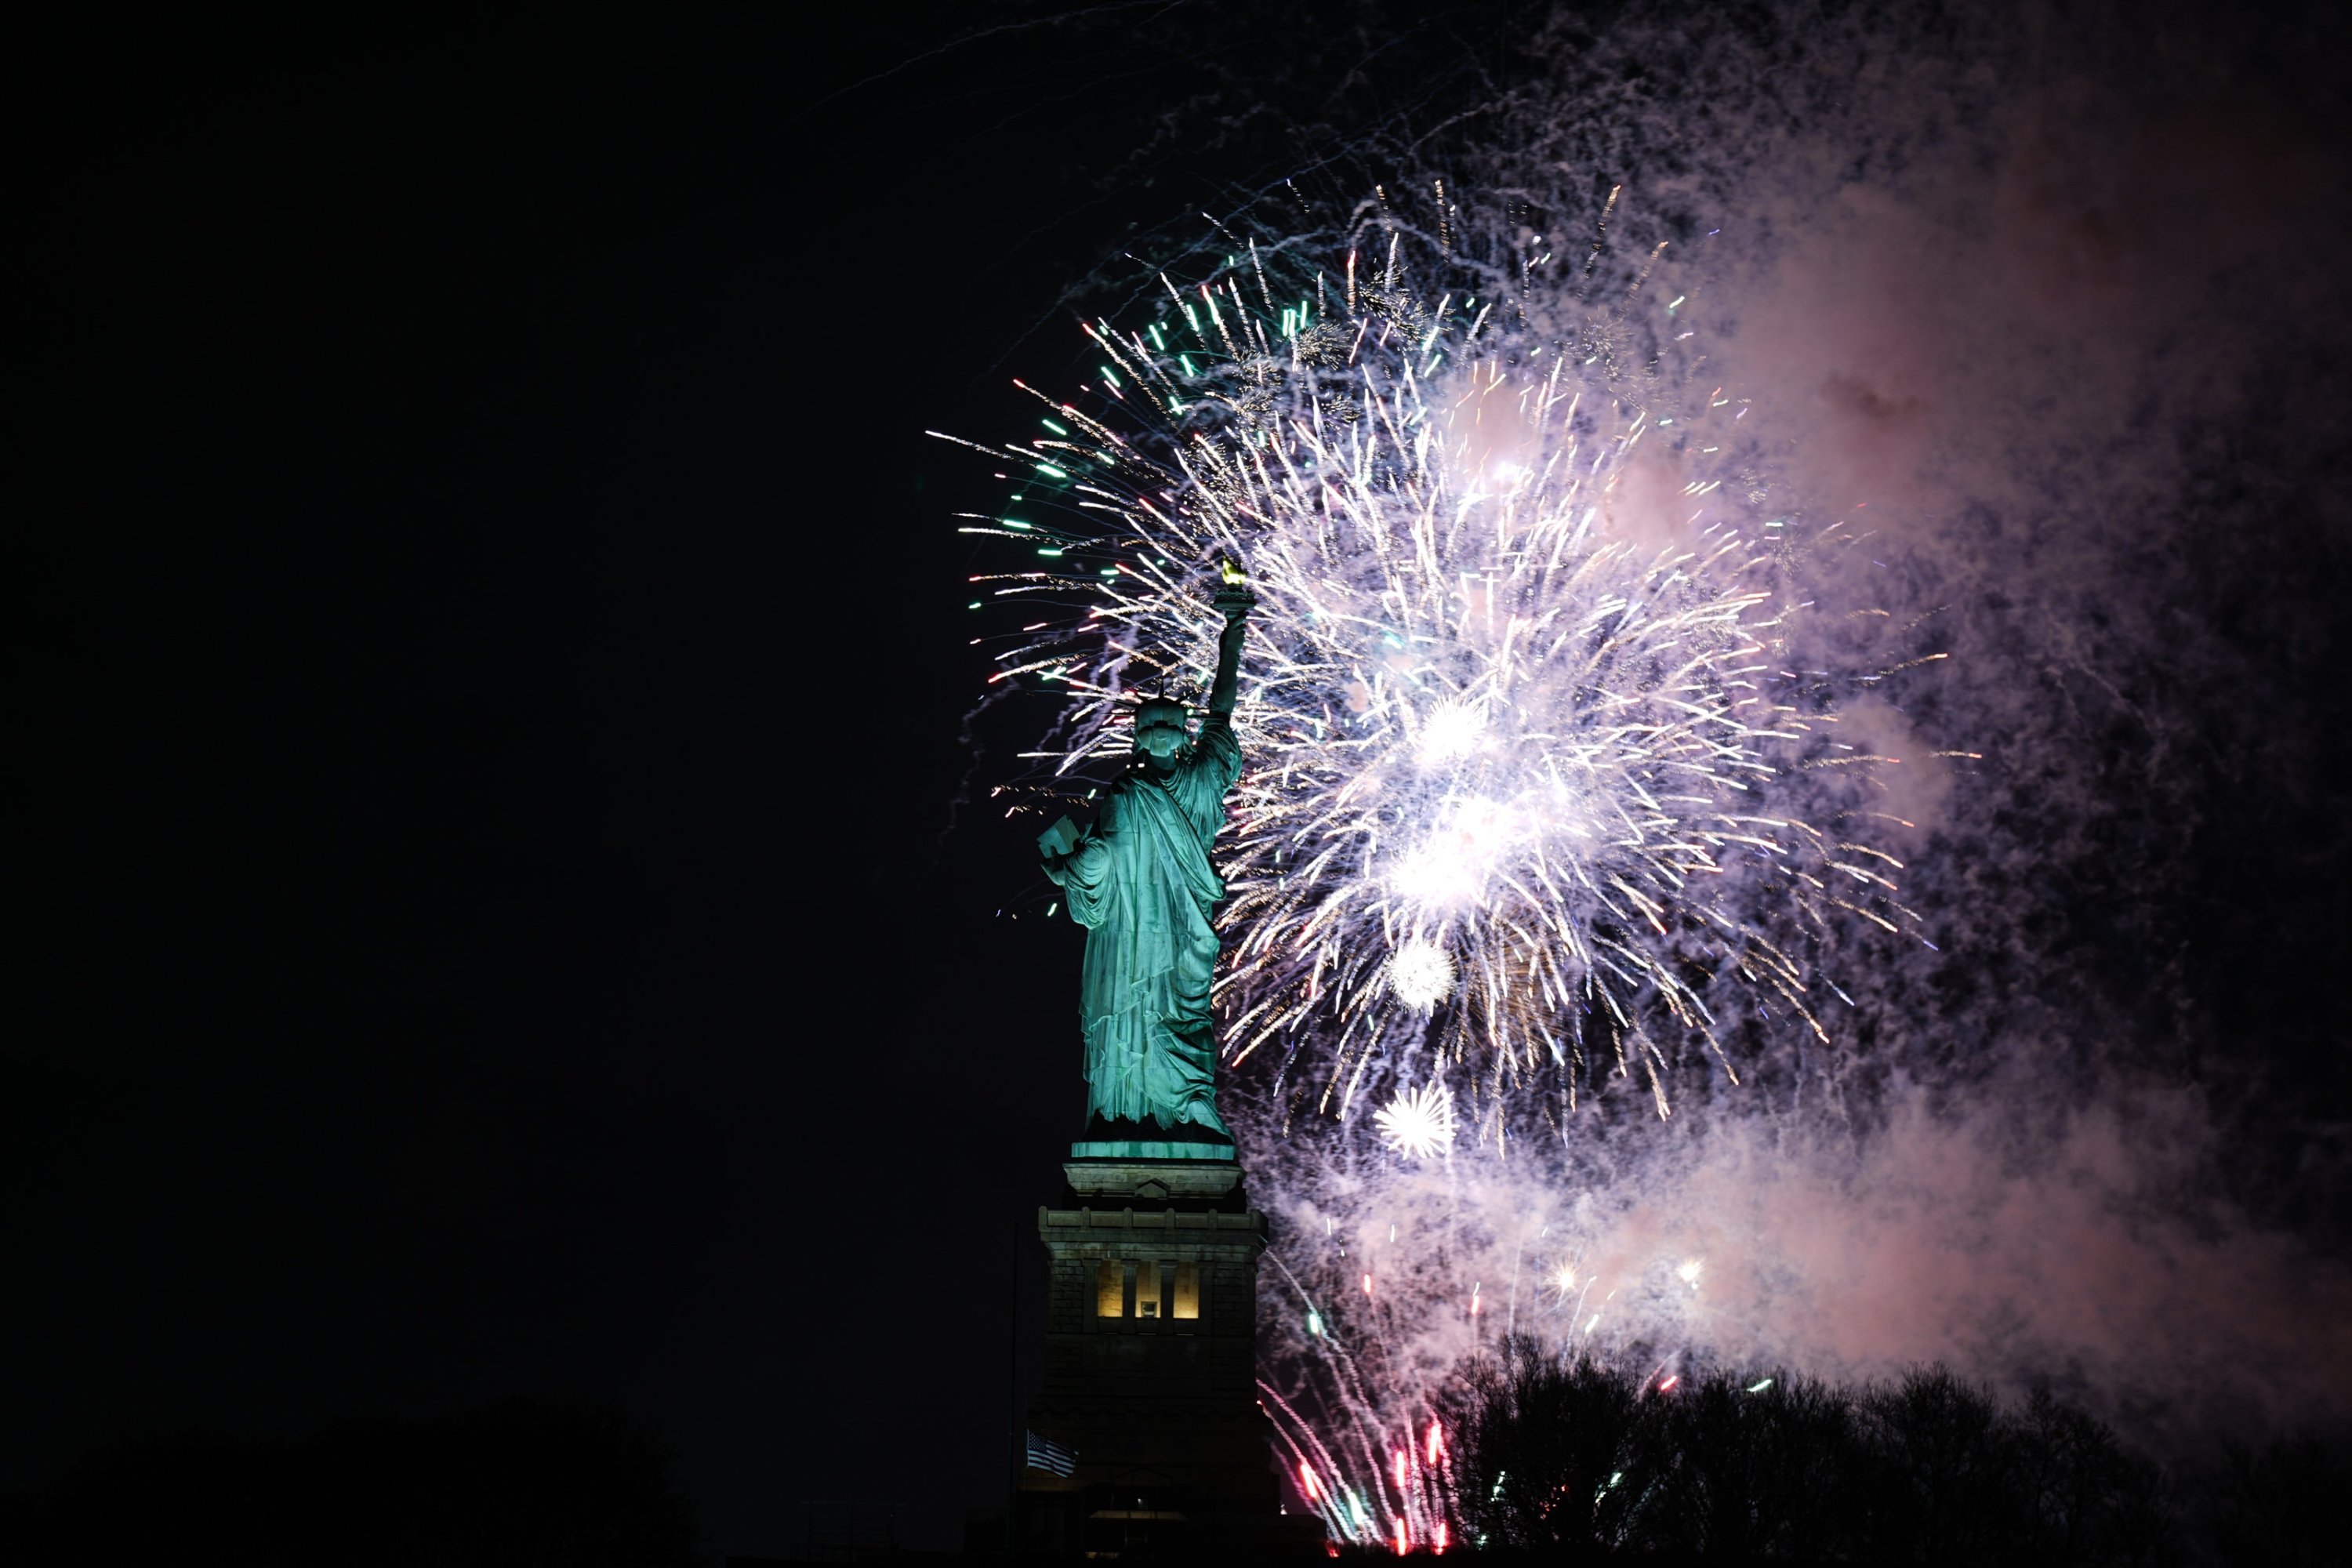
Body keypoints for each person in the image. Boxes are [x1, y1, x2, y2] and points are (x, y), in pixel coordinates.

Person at [1041, 576, 1254, 1142]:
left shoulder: (1202, 780)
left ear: (1182, 735)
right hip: (1131, 940)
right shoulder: (1124, 795)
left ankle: (1186, 1104)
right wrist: (1069, 866)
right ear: (1138, 738)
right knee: (1136, 1011)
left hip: (1183, 929)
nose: (1160, 734)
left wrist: (1233, 635)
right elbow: (1102, 862)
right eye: (1150, 728)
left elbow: (1223, 713)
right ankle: (1126, 1114)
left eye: (1169, 727)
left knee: (1184, 1015)